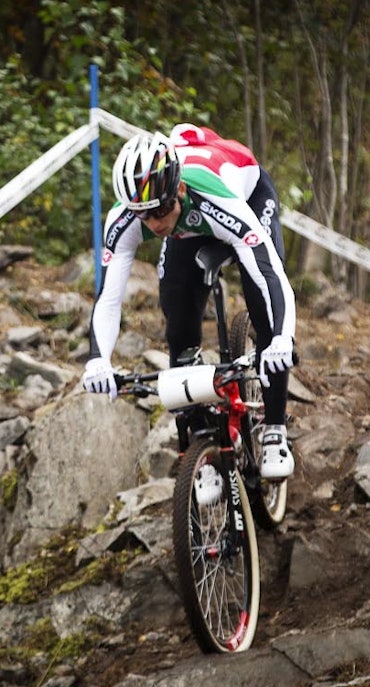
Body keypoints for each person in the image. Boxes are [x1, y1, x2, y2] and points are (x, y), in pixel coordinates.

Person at [81, 125, 297, 487]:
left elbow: (271, 273)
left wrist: (282, 338)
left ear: (178, 188)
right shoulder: (126, 220)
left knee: (262, 301)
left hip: (247, 199)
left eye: (161, 210)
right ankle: (199, 445)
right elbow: (109, 299)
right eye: (143, 215)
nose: (154, 222)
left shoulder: (214, 196)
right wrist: (98, 359)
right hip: (192, 225)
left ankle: (274, 429)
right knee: (178, 317)